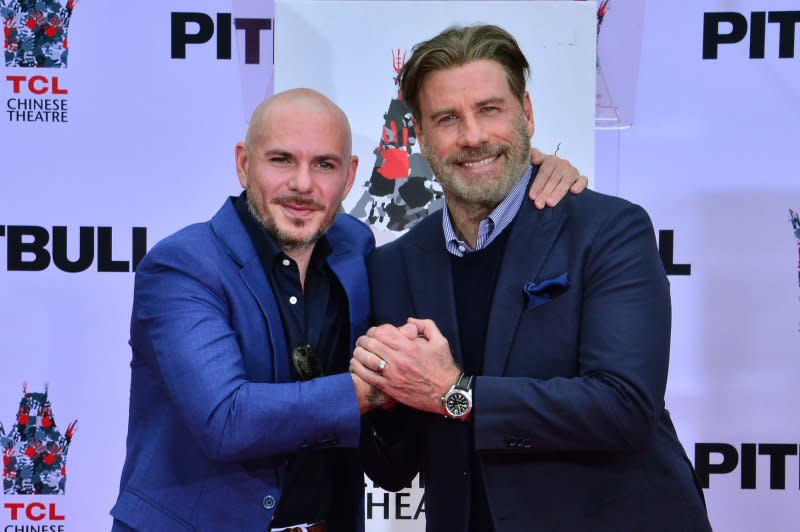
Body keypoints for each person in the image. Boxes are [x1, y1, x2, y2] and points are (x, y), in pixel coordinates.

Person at [110, 88, 584, 531]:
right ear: (243, 163)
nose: (302, 184)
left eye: (324, 165)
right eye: (281, 160)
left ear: (351, 174)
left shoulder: (355, 248)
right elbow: (225, 420)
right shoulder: (184, 266)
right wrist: (364, 392)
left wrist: (530, 170)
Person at [352, 25, 712, 532]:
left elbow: (625, 409)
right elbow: (393, 469)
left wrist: (455, 392)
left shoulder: (608, 230)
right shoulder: (394, 265)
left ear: (527, 112)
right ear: (420, 135)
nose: (473, 135)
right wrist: (378, 397)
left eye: (489, 109)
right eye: (448, 118)